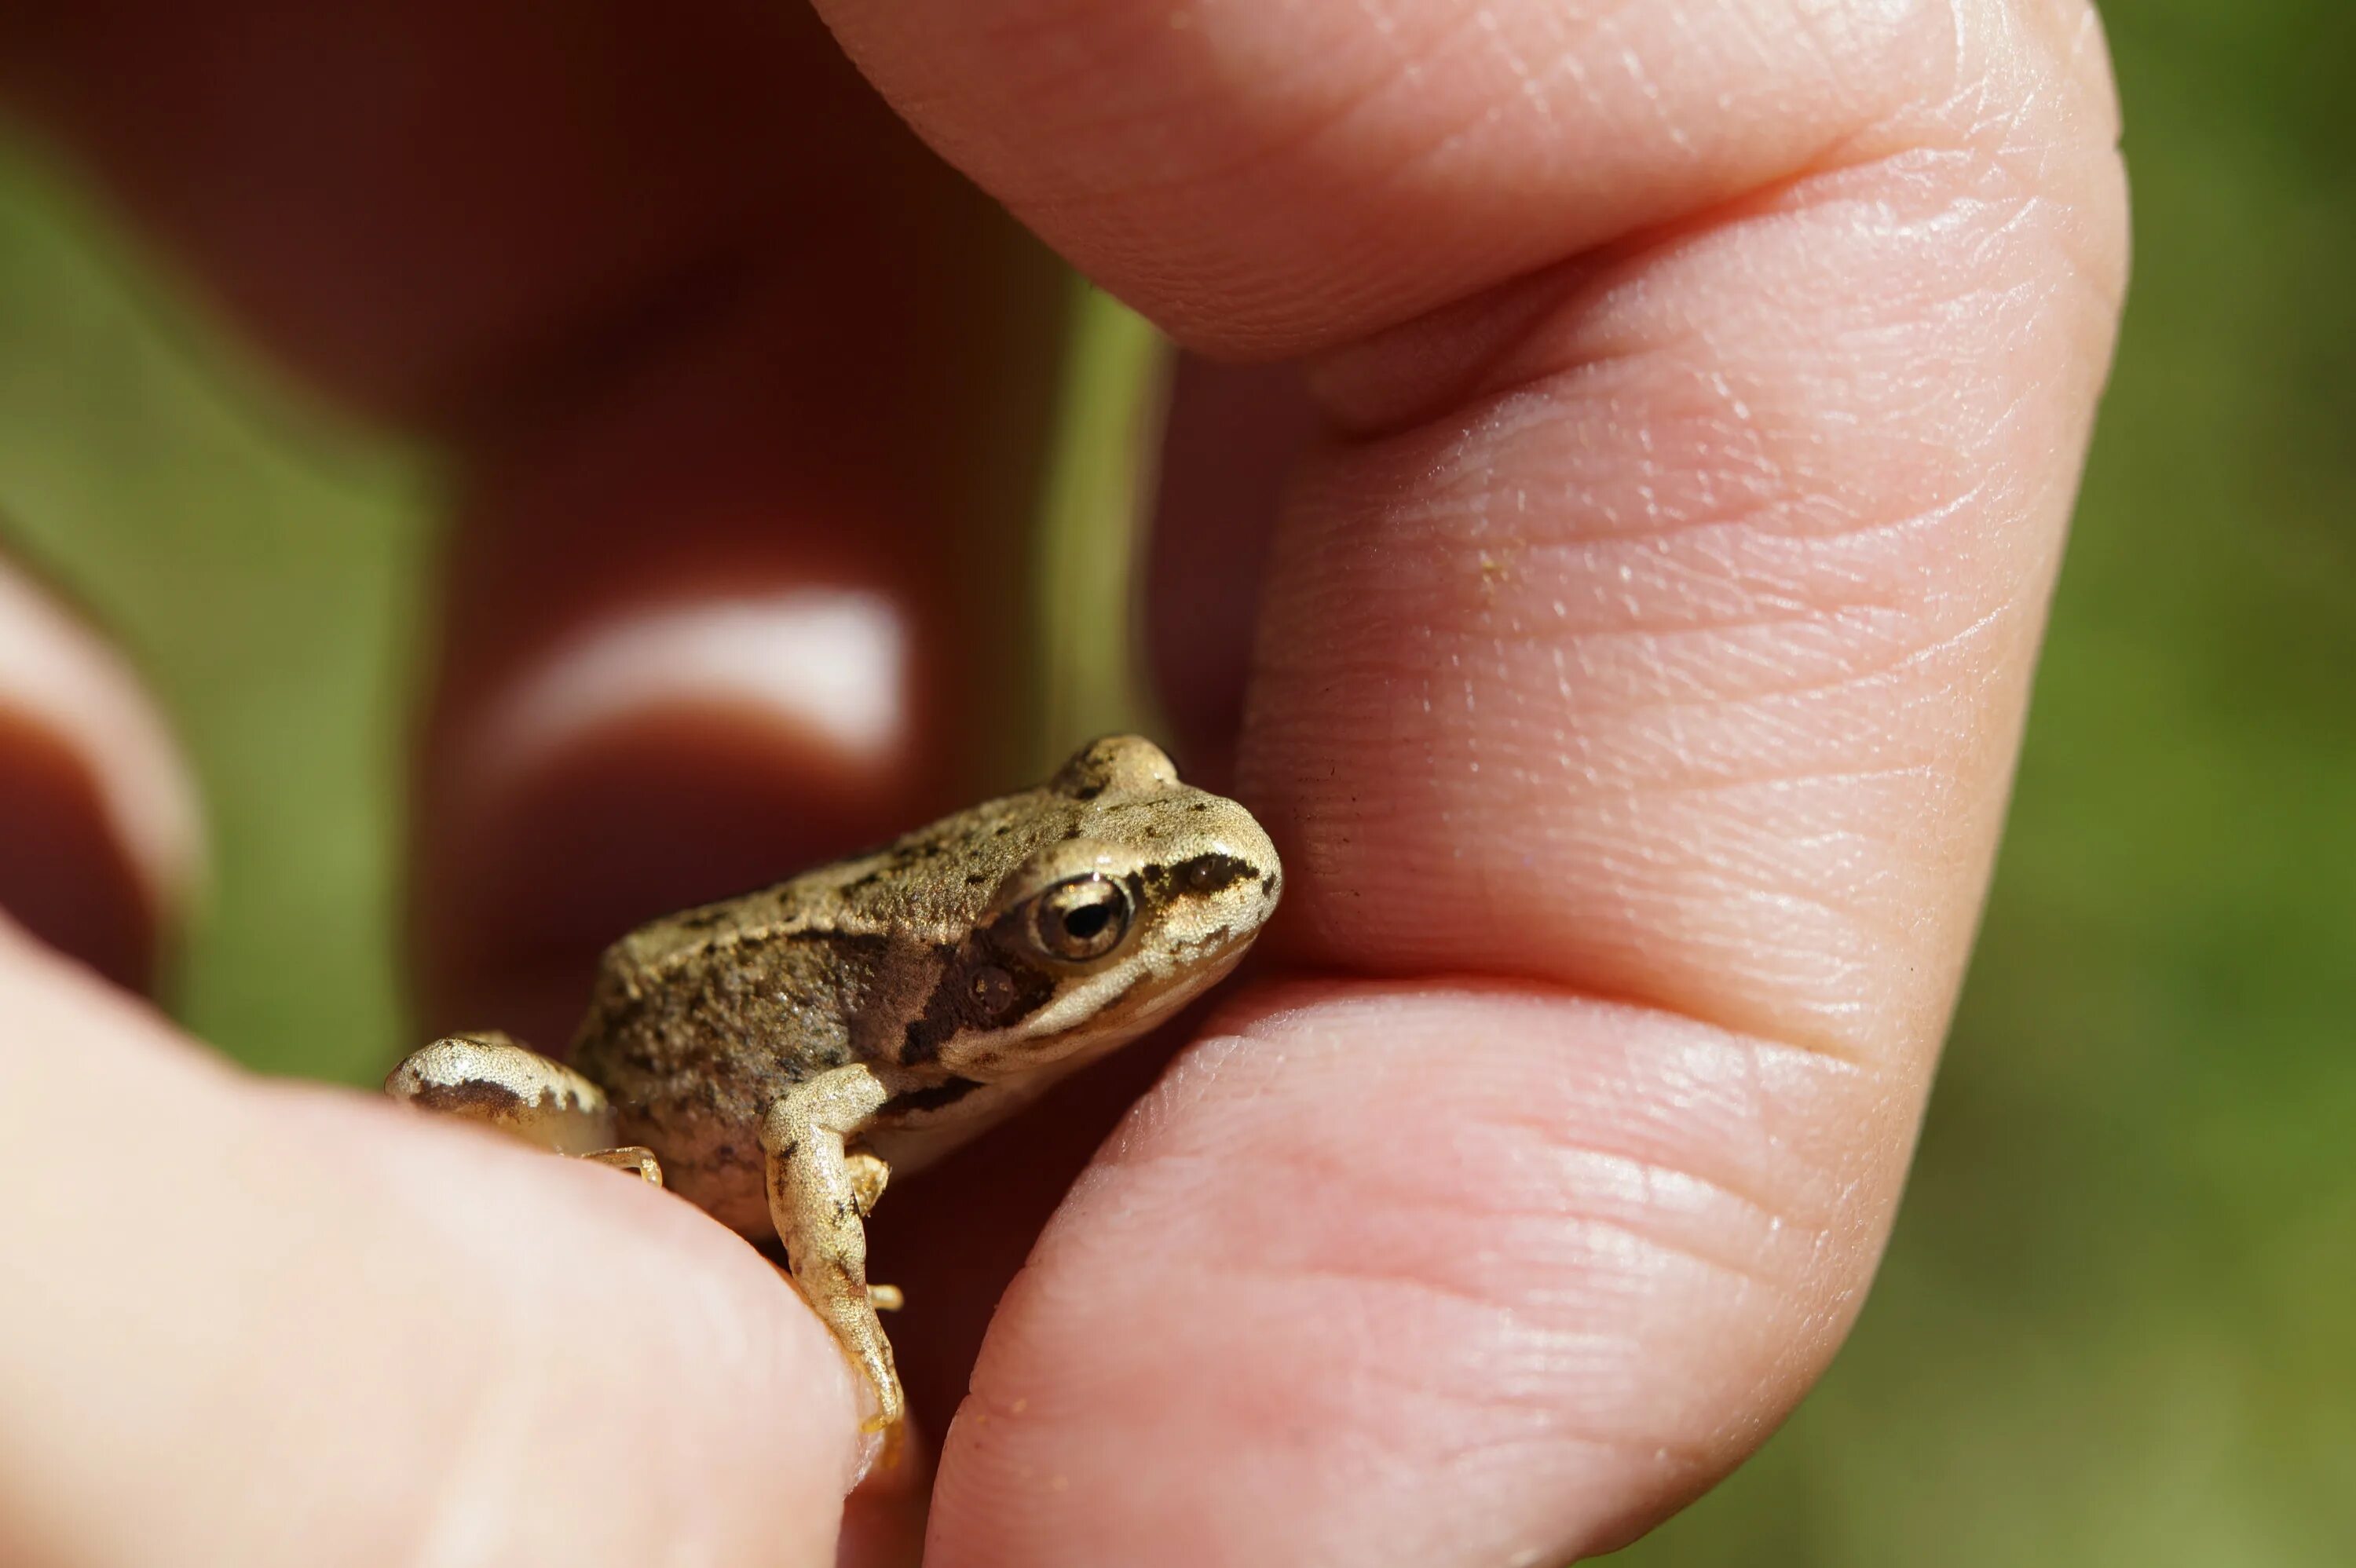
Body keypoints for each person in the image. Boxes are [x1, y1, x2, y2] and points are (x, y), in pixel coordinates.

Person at [0, 2, 2127, 1563]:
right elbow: (815, 1134)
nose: (1192, 894)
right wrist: (857, 1356)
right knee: (465, 1086)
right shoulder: (863, 1070)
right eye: (1093, 923)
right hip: (647, 1097)